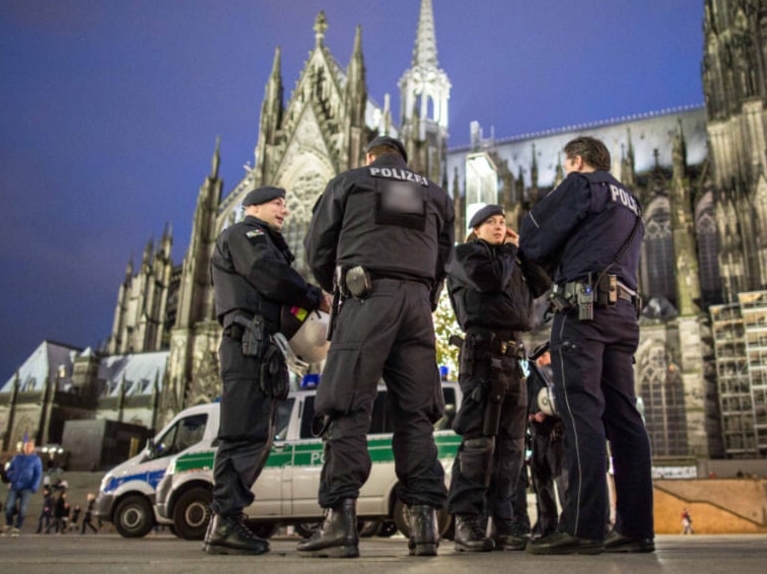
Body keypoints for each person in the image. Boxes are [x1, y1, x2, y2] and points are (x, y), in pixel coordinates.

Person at [298, 136, 455, 558]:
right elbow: (444, 257)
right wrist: (424, 295)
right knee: (417, 414)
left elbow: (317, 248)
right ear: (404, 160)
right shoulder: (434, 193)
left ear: (370, 157)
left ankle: (339, 523)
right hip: (418, 306)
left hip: (366, 297)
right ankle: (424, 527)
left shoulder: (351, 182)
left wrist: (335, 286)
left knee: (347, 406)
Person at [519, 136, 654, 555]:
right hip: (624, 315)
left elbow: (534, 237)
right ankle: (635, 528)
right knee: (625, 417)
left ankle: (581, 525)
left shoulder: (581, 185)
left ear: (576, 162)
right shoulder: (630, 201)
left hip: (583, 311)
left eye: (566, 168)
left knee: (580, 412)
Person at [205, 185, 329, 556]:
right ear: (253, 207)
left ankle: (228, 518)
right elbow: (267, 274)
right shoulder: (245, 234)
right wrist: (312, 295)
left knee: (257, 433)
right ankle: (223, 522)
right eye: (277, 203)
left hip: (263, 346)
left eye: (285, 204)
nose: (285, 210)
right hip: (248, 344)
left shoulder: (262, 240)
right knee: (243, 432)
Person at [444, 204, 551, 552]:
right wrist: (507, 252)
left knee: (511, 448)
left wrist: (521, 253)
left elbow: (541, 284)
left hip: (513, 357)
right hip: (482, 356)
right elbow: (489, 282)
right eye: (491, 222)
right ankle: (467, 520)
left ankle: (504, 523)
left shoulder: (509, 260)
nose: (499, 226)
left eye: (503, 222)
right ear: (475, 229)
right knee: (479, 443)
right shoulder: (464, 256)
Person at [527, 348, 567, 540]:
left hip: (555, 436)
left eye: (544, 355)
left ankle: (566, 524)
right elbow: (528, 400)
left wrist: (550, 415)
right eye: (539, 357)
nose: (541, 360)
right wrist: (531, 415)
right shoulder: (534, 376)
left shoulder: (556, 373)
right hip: (538, 436)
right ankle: (547, 525)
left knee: (561, 481)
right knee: (542, 483)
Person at [4, 439, 43, 536]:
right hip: (15, 485)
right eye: (26, 445)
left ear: (33, 448)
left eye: (30, 446)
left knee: (23, 509)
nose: (28, 447)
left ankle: (18, 526)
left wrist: (34, 486)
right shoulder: (17, 458)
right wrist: (11, 477)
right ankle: (9, 523)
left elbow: (38, 474)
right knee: (9, 507)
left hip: (27, 487)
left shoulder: (36, 459)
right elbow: (9, 469)